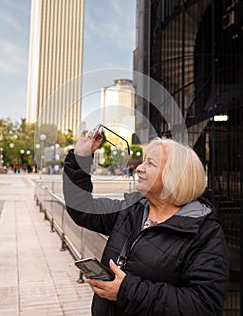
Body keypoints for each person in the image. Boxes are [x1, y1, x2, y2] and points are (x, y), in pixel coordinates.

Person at [63, 130, 229, 316]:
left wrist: (126, 291)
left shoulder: (205, 233)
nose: (139, 168)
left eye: (150, 163)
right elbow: (82, 208)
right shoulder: (132, 210)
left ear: (175, 176)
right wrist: (80, 158)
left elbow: (204, 305)